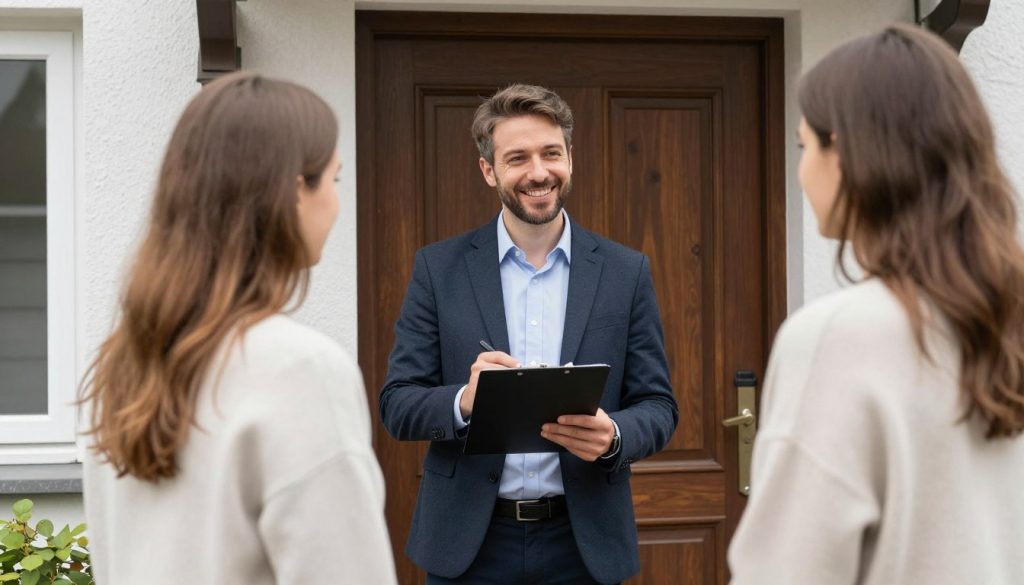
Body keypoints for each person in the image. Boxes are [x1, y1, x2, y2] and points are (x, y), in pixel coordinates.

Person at [728, 23, 1024, 585]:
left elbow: (786, 570)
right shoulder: (1003, 317)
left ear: (845, 154)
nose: (801, 166)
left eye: (803, 144)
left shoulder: (839, 336)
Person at [79, 72, 397, 585]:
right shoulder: (301, 370)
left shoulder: (118, 366)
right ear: (295, 192)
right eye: (334, 180)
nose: (337, 202)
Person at [379, 83, 678, 585]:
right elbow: (397, 404)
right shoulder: (438, 269)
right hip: (469, 548)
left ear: (570, 158)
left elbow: (659, 406)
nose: (539, 172)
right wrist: (465, 401)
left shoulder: (626, 272)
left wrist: (614, 437)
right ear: (488, 170)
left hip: (583, 547)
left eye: (551, 154)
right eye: (517, 158)